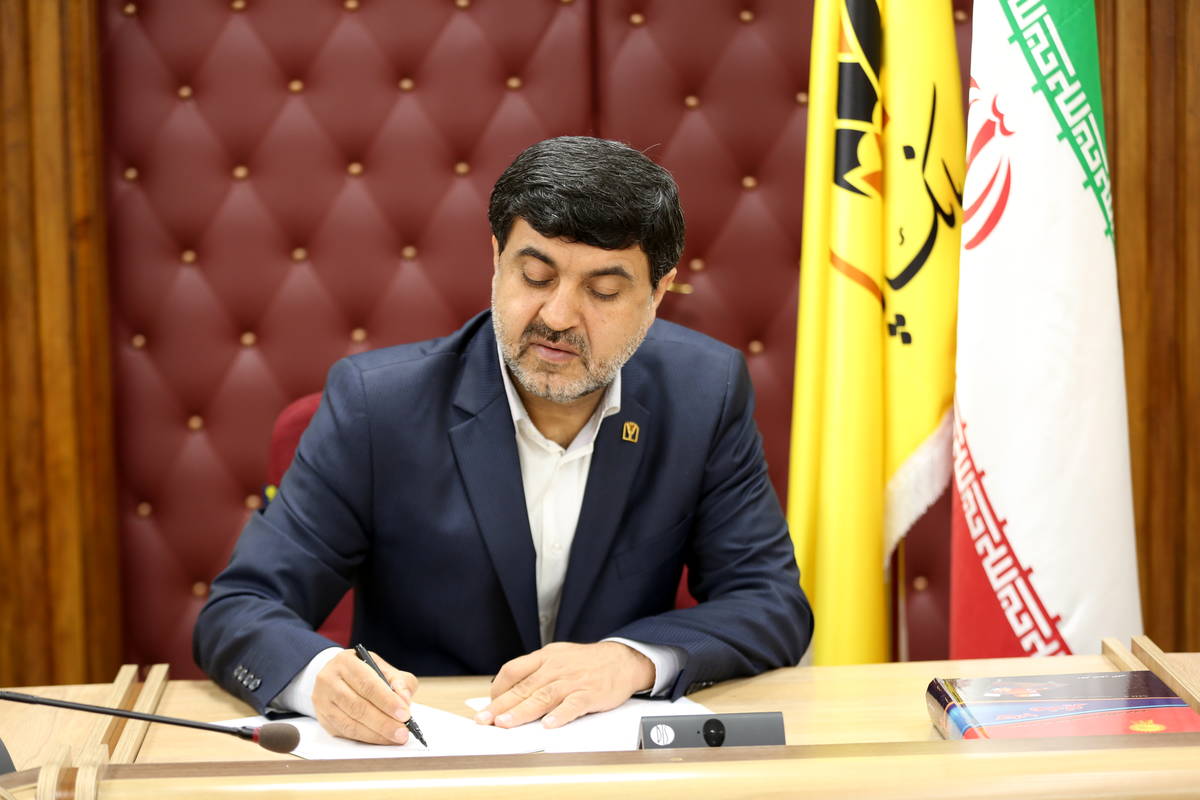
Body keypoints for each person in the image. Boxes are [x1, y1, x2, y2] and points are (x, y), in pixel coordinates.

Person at [193, 136, 813, 745]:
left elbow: (770, 601)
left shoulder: (704, 392)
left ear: (657, 293)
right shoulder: (377, 406)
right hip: (428, 758)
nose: (558, 317)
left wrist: (631, 660)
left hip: (616, 766)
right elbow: (240, 605)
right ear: (496, 259)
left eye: (602, 291)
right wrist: (317, 677)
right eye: (536, 277)